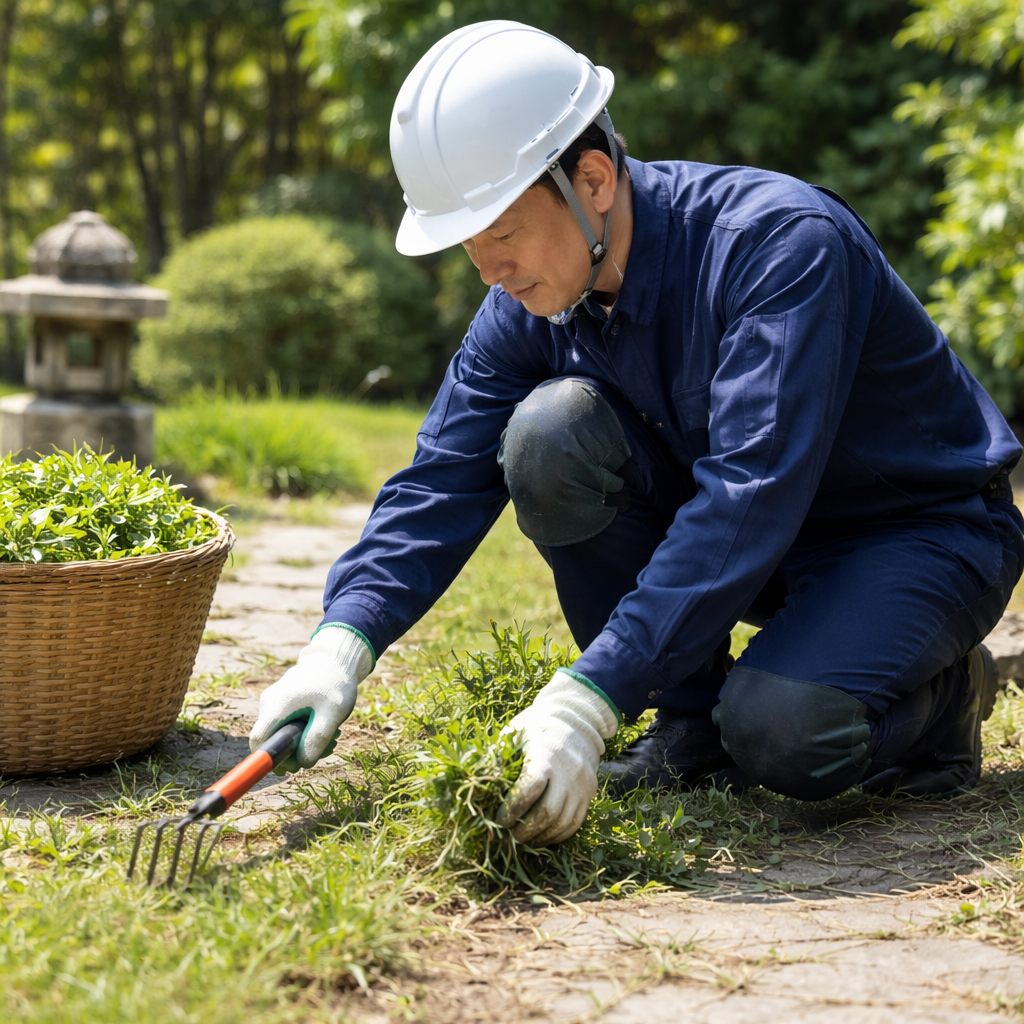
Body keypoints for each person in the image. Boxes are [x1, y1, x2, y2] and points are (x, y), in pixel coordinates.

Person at [250, 20, 1024, 847]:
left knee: (782, 731)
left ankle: (946, 702)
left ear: (591, 179)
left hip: (917, 536)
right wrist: (342, 642)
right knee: (550, 438)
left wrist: (590, 696)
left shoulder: (779, 247)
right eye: (470, 248)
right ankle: (687, 727)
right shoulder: (532, 300)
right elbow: (440, 477)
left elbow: (747, 495)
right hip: (765, 549)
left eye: (503, 235)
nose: (489, 271)